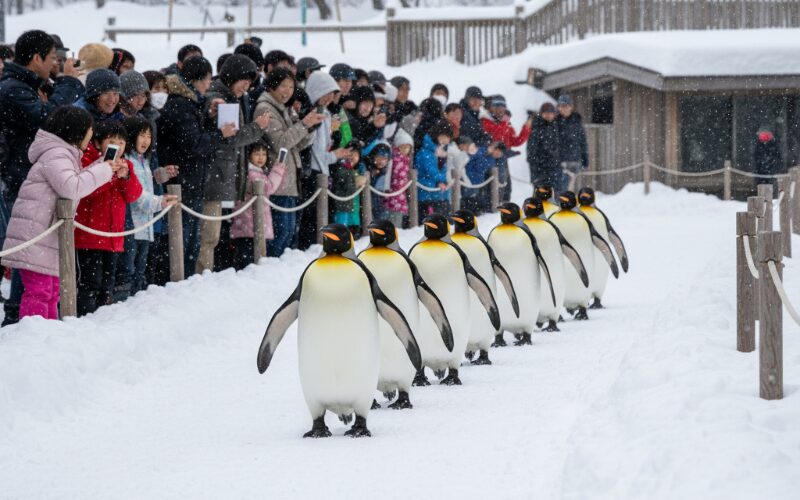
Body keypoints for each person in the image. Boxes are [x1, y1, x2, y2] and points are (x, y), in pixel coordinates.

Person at [0, 30, 84, 326]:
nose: (55, 64)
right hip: (18, 184)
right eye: (51, 58)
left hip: (32, 183)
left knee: (39, 263)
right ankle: (19, 324)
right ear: (36, 58)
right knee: (28, 259)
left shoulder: (34, 85)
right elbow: (48, 118)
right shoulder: (12, 88)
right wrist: (69, 83)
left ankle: (38, 326)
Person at [1, 107, 116, 320]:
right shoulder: (57, 154)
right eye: (89, 130)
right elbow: (71, 187)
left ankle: (48, 338)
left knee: (52, 292)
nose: (91, 136)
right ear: (77, 132)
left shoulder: (63, 154)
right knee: (40, 292)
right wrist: (104, 170)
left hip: (45, 236)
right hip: (37, 235)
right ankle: (34, 338)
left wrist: (103, 165)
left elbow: (72, 181)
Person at [158, 56, 236, 275]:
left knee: (190, 241)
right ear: (196, 80)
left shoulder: (187, 103)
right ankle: (178, 281)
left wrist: (208, 110)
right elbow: (193, 144)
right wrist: (220, 133)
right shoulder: (180, 106)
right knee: (183, 242)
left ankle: (184, 280)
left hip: (190, 181)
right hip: (183, 181)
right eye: (207, 80)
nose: (208, 86)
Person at [196, 54, 271, 274]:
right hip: (214, 177)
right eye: (244, 83)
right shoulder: (219, 98)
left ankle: (208, 274)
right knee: (209, 236)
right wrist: (258, 127)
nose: (246, 89)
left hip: (220, 176)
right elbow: (232, 138)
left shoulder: (229, 97)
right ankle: (201, 277)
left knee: (215, 235)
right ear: (232, 77)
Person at [74, 120, 143, 315]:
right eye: (111, 141)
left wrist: (126, 177)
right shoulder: (89, 160)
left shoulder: (126, 164)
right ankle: (83, 318)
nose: (117, 146)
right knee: (89, 282)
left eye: (121, 142)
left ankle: (101, 321)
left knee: (107, 283)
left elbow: (133, 195)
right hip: (89, 236)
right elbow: (87, 192)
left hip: (113, 237)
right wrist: (108, 172)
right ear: (97, 142)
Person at [253, 68, 321, 257]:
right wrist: (303, 124)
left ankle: (280, 273)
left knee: (289, 232)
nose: (288, 91)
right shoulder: (265, 108)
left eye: (291, 86)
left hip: (289, 179)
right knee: (280, 234)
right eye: (283, 85)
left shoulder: (282, 109)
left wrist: (310, 127)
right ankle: (271, 273)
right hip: (276, 182)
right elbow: (281, 143)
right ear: (272, 85)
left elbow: (296, 145)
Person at [122, 116, 178, 296]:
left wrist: (159, 175)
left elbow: (146, 184)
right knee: (129, 271)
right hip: (132, 226)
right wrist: (159, 202)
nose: (146, 140)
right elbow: (136, 195)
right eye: (142, 135)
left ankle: (138, 304)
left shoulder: (144, 161)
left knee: (141, 271)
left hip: (146, 226)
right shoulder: (127, 161)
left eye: (148, 136)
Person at [230, 142, 286, 270]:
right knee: (247, 259)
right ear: (248, 156)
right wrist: (278, 169)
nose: (261, 158)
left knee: (251, 256)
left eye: (264, 154)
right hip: (248, 223)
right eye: (256, 154)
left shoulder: (259, 172)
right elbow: (269, 188)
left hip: (251, 223)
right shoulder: (251, 173)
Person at [481, 94, 532, 201]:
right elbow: (495, 137)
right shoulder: (485, 121)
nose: (500, 109)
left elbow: (515, 141)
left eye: (502, 106)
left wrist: (526, 127)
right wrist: (504, 122)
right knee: (494, 188)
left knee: (506, 189)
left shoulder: (506, 124)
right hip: (489, 161)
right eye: (497, 106)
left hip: (503, 160)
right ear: (491, 108)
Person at [416, 119, 454, 216]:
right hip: (427, 193)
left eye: (448, 137)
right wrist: (441, 180)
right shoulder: (426, 152)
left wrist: (445, 180)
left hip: (438, 193)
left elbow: (444, 169)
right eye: (445, 136)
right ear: (437, 135)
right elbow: (431, 170)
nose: (446, 140)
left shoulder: (440, 150)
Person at [527, 102, 561, 189]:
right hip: (540, 168)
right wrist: (535, 174)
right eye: (546, 113)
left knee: (554, 196)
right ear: (542, 114)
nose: (548, 115)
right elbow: (531, 152)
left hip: (554, 168)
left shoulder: (556, 126)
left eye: (551, 113)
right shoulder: (536, 127)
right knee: (540, 196)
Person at [555, 94, 589, 184]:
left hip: (574, 161)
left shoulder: (577, 121)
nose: (563, 109)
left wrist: (585, 159)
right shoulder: (555, 122)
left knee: (570, 189)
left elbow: (583, 141)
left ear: (571, 107)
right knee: (560, 189)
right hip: (559, 161)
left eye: (565, 106)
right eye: (560, 106)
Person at [384, 130, 413, 228]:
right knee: (394, 215)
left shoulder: (405, 160)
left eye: (407, 147)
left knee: (397, 215)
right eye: (403, 146)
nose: (405, 149)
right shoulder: (396, 159)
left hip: (400, 192)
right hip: (395, 192)